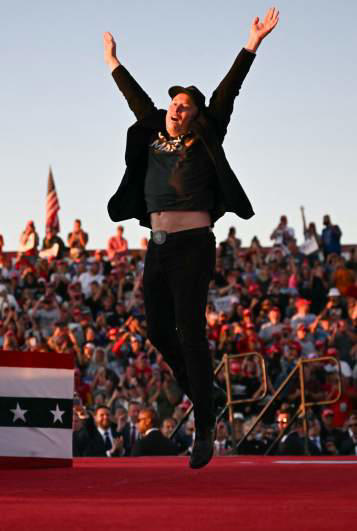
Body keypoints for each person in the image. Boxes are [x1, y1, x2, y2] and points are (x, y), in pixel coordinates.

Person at [103, 7, 279, 468]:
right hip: (157, 247)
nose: (176, 109)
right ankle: (205, 392)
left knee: (190, 330)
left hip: (193, 245)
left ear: (196, 113)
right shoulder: (153, 130)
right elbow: (137, 99)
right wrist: (113, 63)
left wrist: (252, 44)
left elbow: (228, 92)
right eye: (174, 103)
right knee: (159, 329)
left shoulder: (204, 132)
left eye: (185, 105)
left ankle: (204, 423)